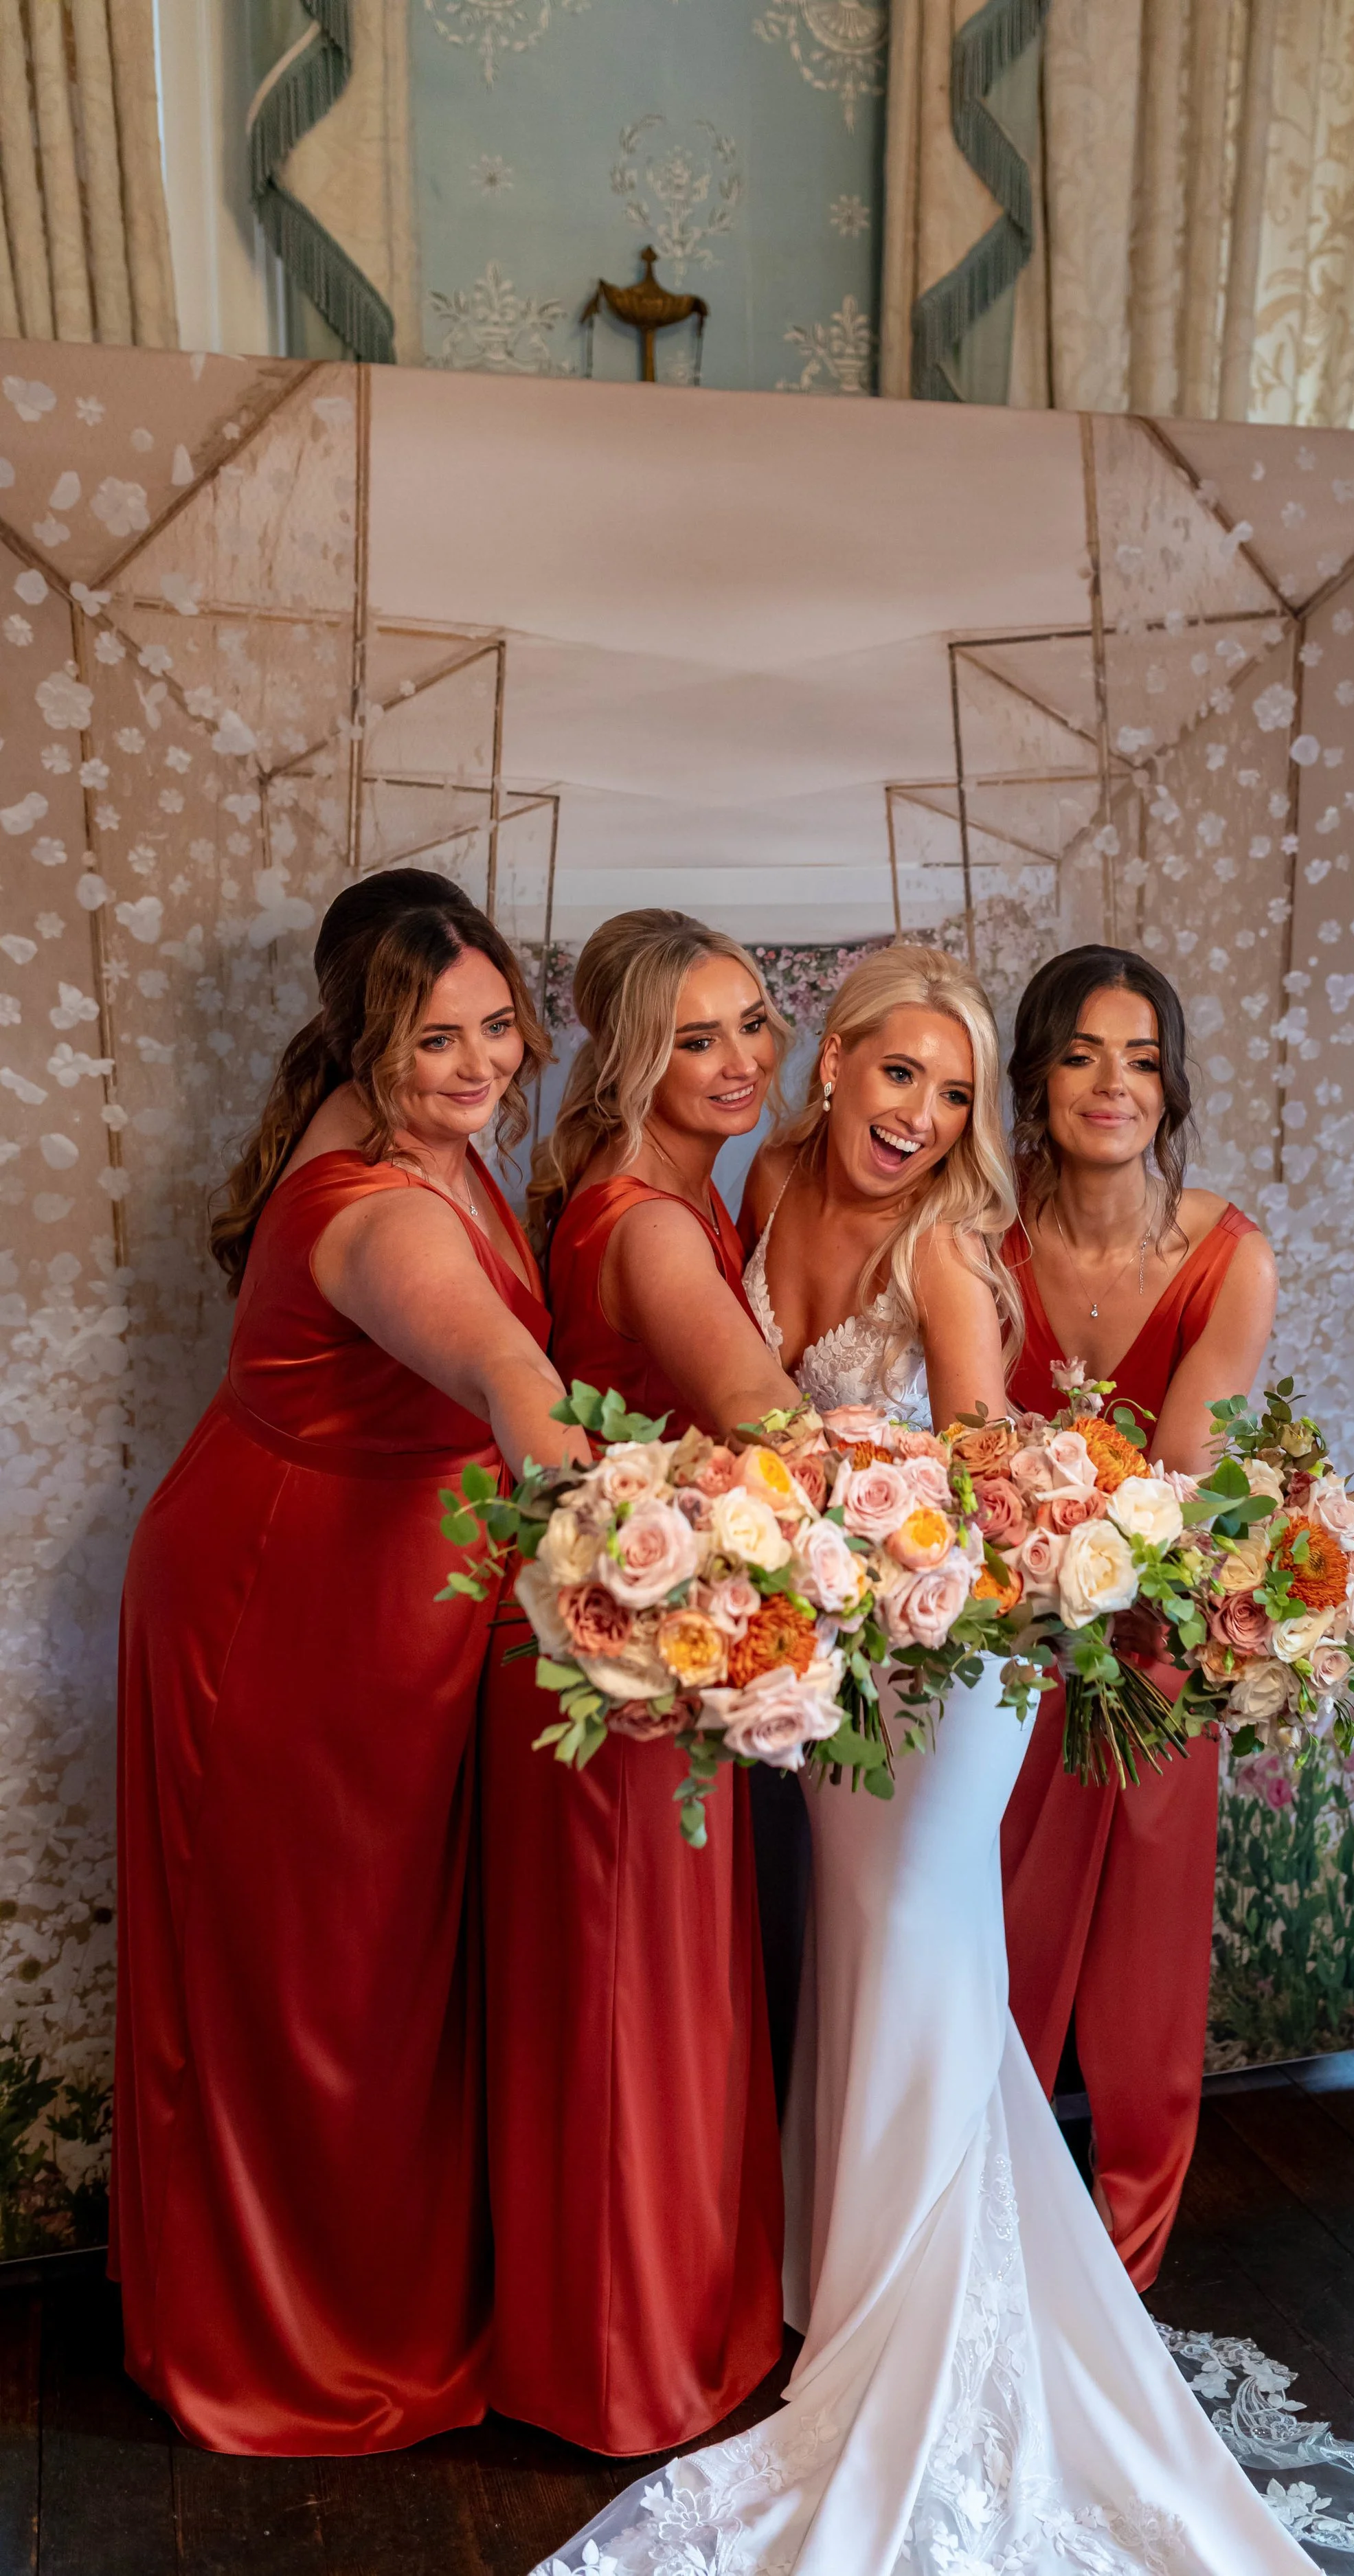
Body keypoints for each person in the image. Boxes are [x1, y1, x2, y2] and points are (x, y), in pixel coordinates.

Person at [534, 944, 1314, 2576]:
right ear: (832, 1064)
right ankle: (849, 2285)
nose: (924, 1114)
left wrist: (851, 1525)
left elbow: (975, 1466)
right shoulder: (750, 1193)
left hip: (952, 1661)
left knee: (913, 1948)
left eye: (956, 1093)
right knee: (864, 1955)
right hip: (841, 1656)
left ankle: (911, 2337)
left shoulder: (950, 1249)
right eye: (903, 1075)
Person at [111, 869, 572, 2454]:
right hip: (287, 1621)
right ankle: (296, 2347)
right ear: (361, 1038)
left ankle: (366, 2299)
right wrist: (555, 1445)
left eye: (498, 1026)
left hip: (385, 1606)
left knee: (371, 1991)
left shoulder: (427, 1138)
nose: (478, 1065)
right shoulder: (373, 1206)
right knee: (315, 2004)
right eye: (434, 1038)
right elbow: (487, 1352)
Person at [482, 908, 804, 2456]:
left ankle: (654, 2334)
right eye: (695, 1038)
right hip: (614, 1673)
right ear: (627, 1059)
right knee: (626, 2017)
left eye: (751, 1022)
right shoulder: (653, 1224)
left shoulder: (683, 1195)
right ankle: (627, 2370)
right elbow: (762, 1419)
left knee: (640, 2011)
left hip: (622, 1652)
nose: (739, 1060)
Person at [1000, 945, 1278, 2289]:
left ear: (1171, 1091)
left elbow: (1178, 1479)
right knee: (991, 1939)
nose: (1111, 1084)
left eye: (1142, 1059)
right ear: (1034, 1073)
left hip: (1151, 1635)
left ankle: (1123, 2266)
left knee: (1144, 1973)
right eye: (1078, 1054)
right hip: (996, 1636)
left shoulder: (1227, 1260)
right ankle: (978, 2233)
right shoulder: (973, 1241)